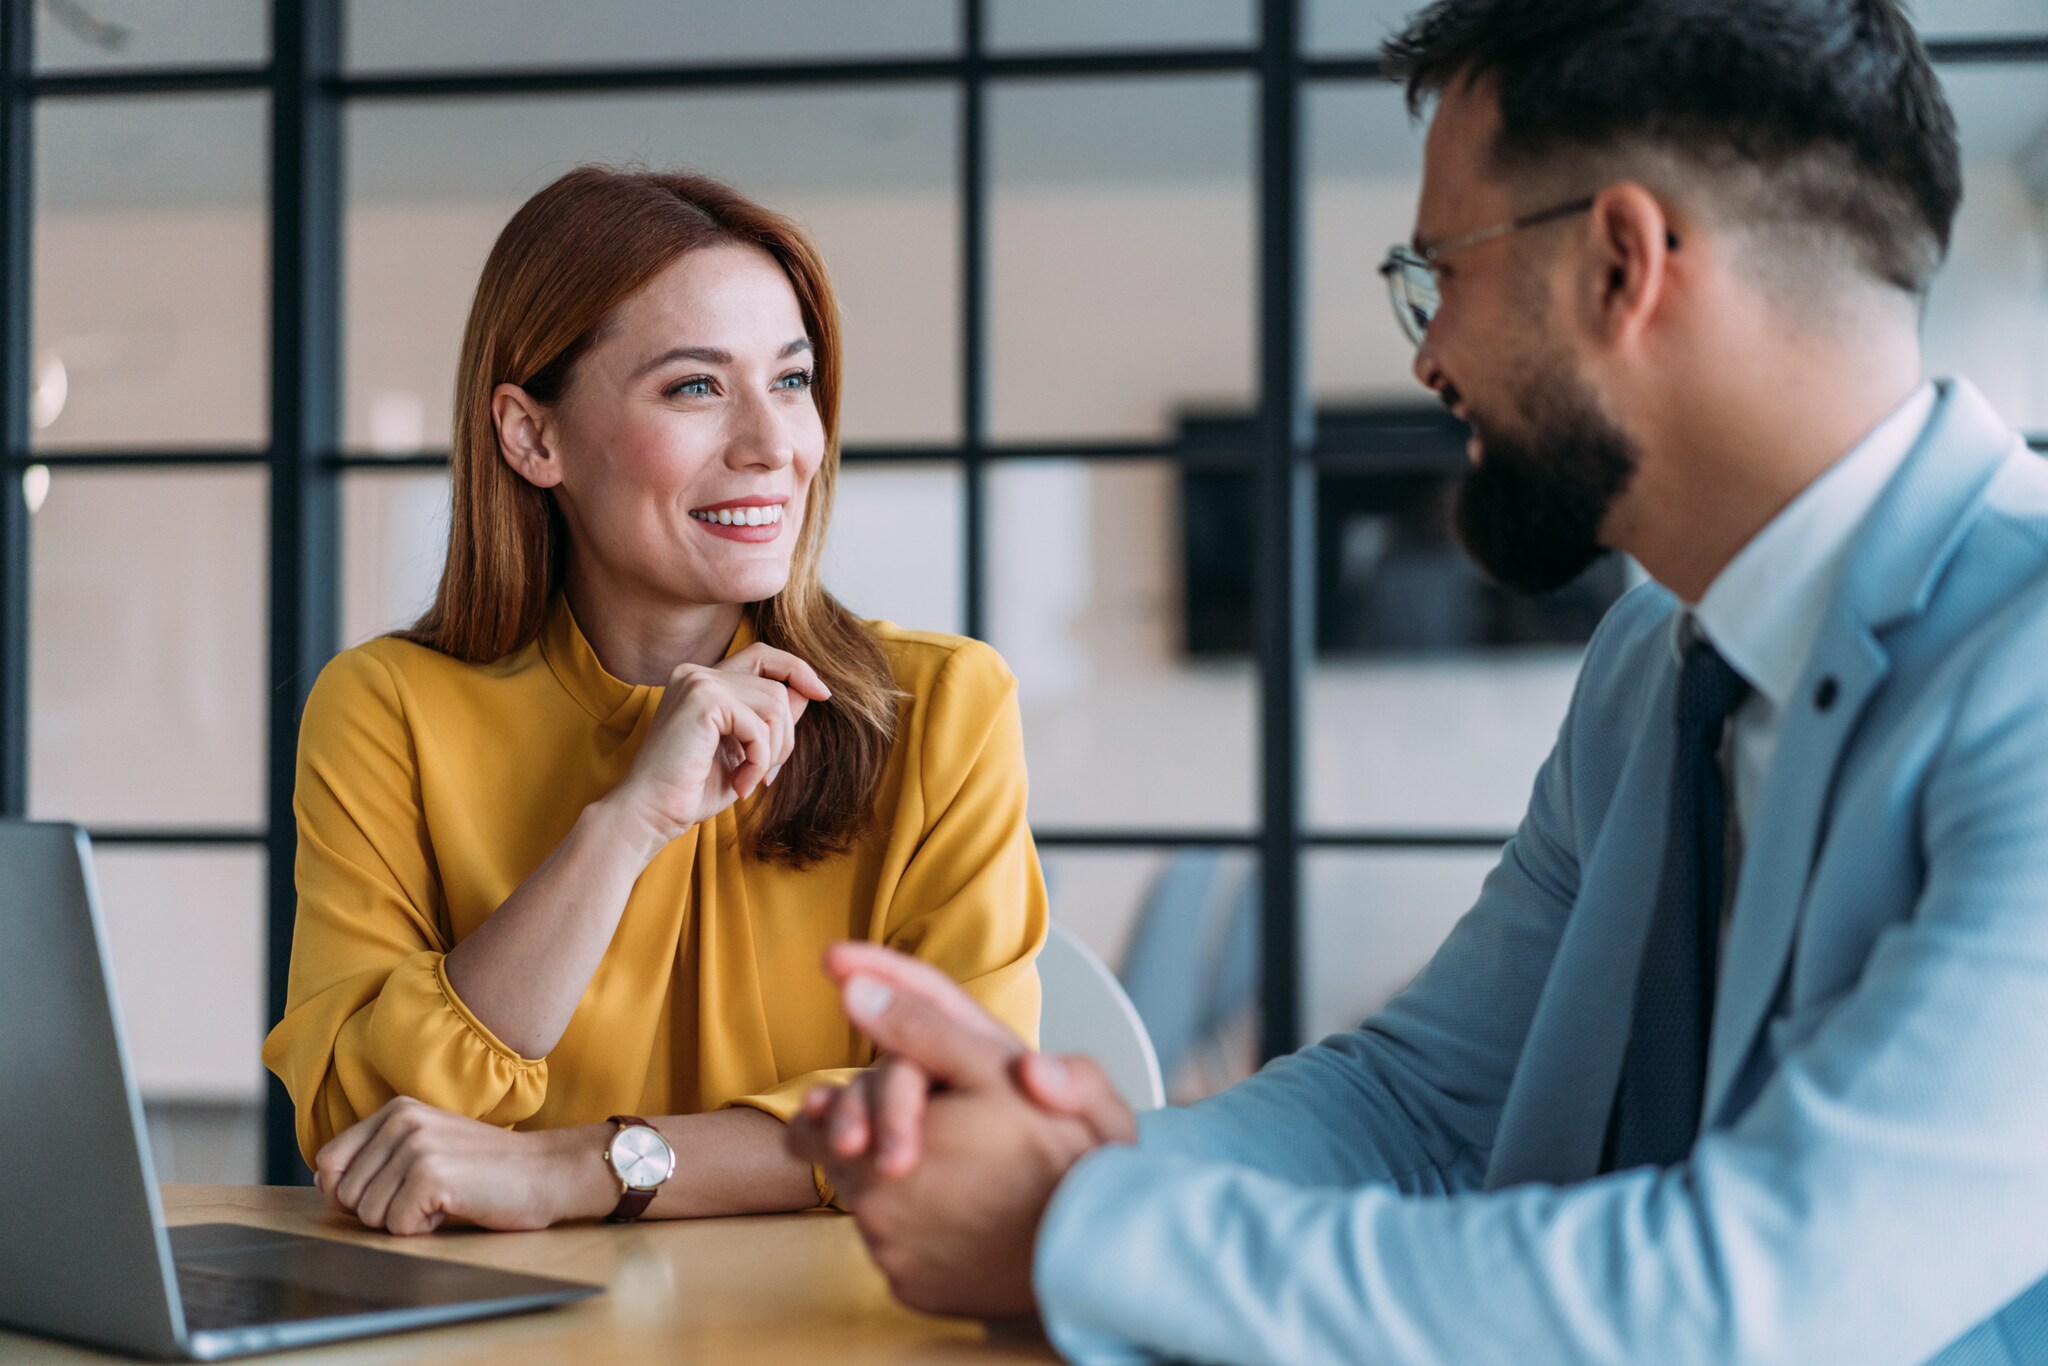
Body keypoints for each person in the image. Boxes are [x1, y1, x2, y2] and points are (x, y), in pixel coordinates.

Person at [788, 1, 2048, 1361]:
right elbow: (1424, 1097)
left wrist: (1076, 1226)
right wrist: (1084, 1156)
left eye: (1439, 269)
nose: (1426, 351)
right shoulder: (1650, 666)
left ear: (1622, 263)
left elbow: (1766, 1296)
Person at [262, 167, 1045, 1235]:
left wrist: (578, 1169)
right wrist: (626, 823)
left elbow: (960, 1118)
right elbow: (369, 1133)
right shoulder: (385, 708)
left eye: (791, 380)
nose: (775, 447)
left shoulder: (942, 708)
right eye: (694, 387)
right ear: (531, 436)